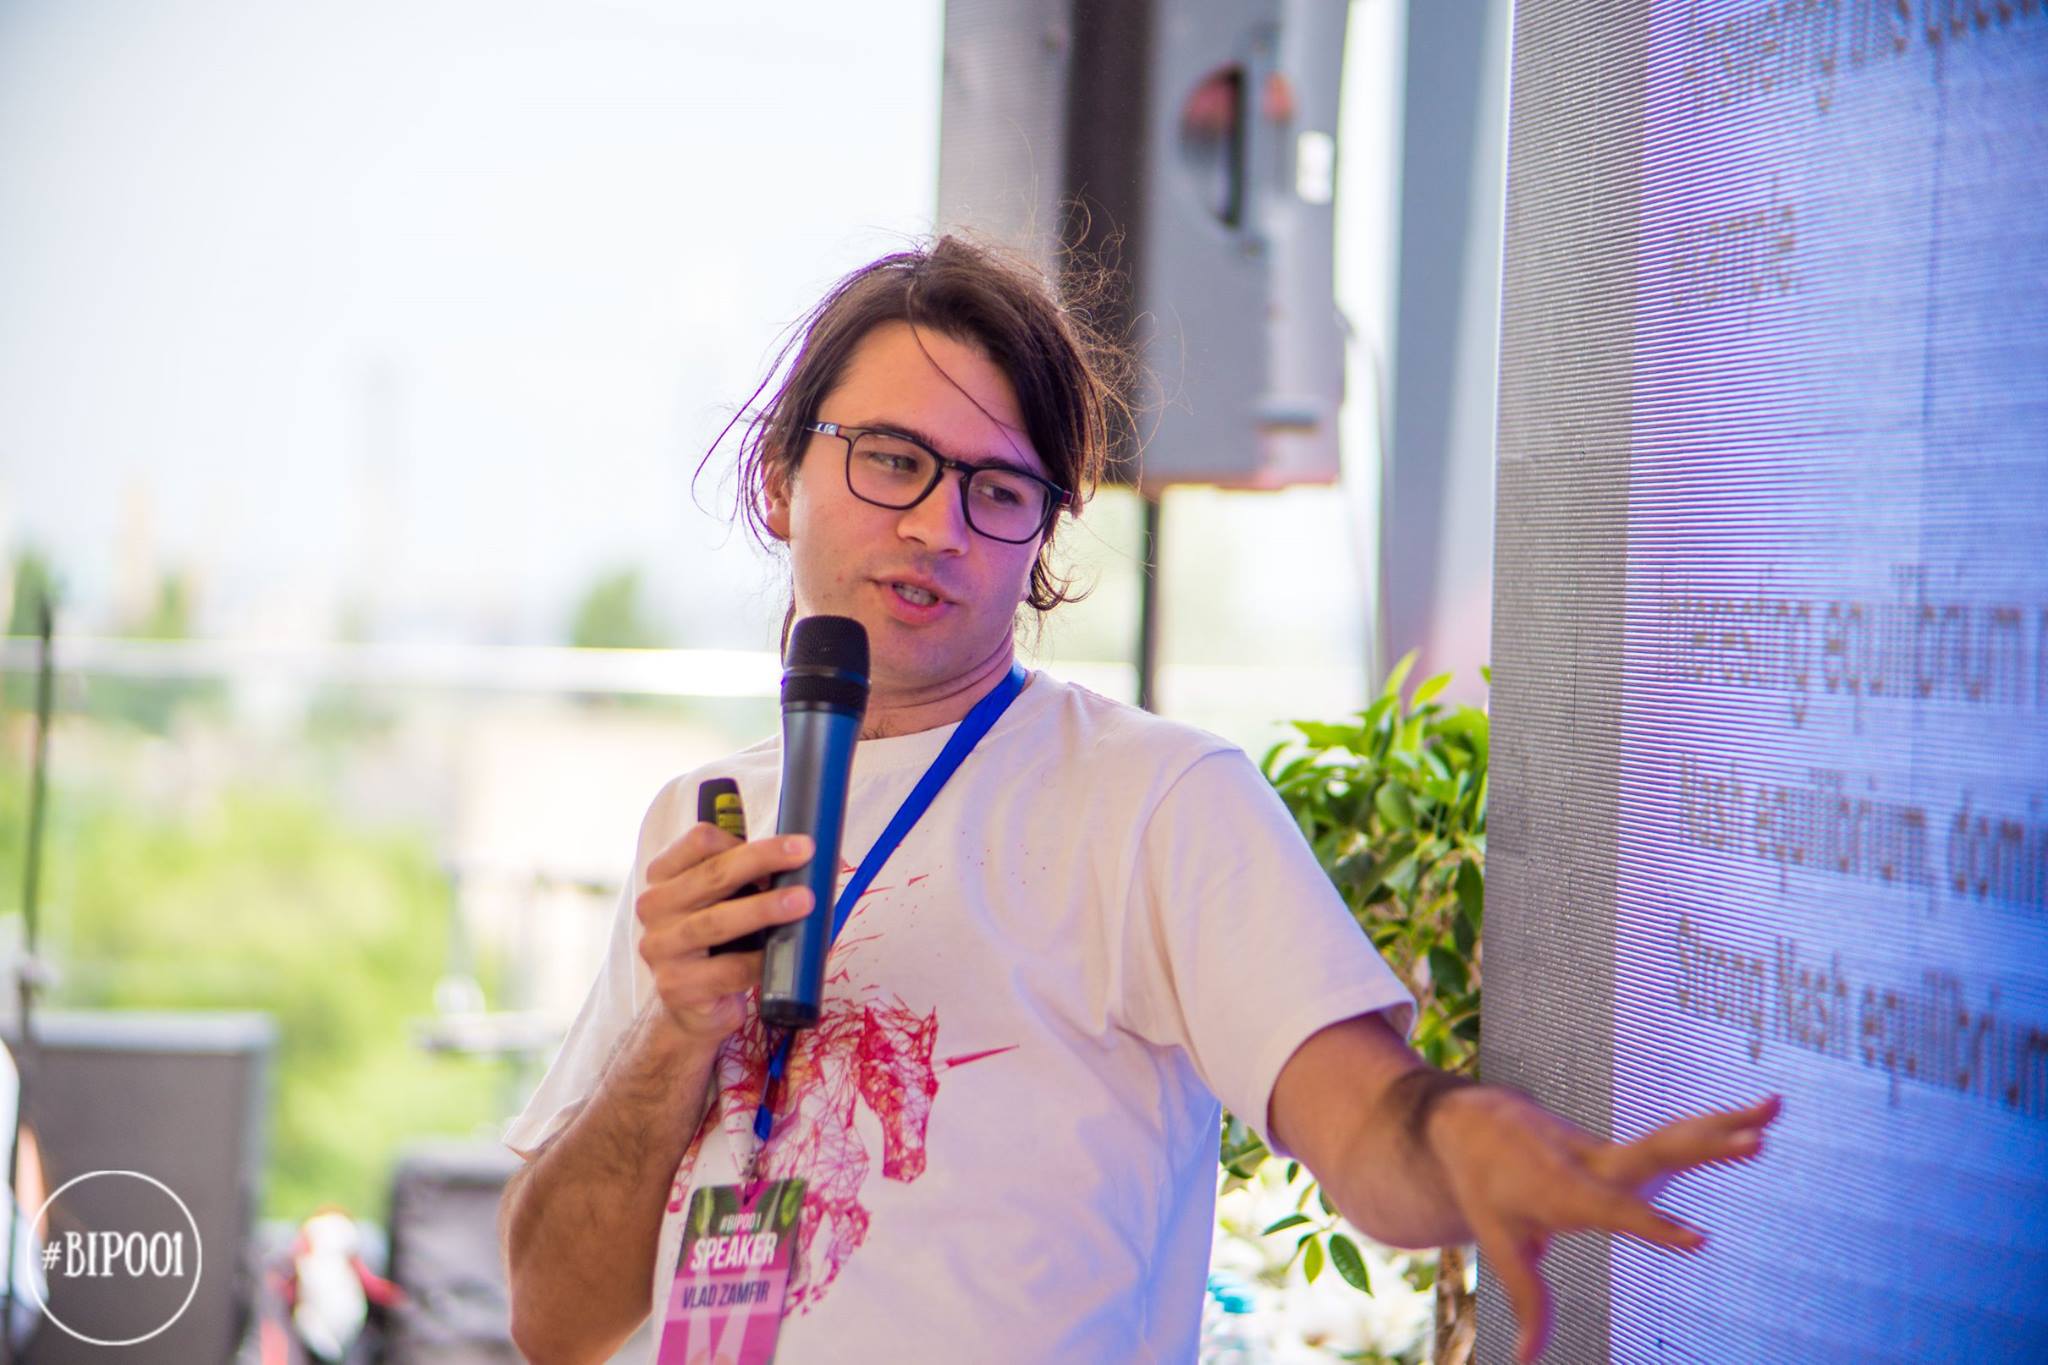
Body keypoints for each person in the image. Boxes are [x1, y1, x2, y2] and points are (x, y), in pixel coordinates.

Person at [496, 235, 1778, 1365]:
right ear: (780, 476)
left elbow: (1361, 1117)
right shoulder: (700, 818)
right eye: (891, 460)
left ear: (1040, 543)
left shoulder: (1155, 801)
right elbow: (554, 1320)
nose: (939, 526)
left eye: (997, 491)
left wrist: (1459, 1145)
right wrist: (673, 1034)